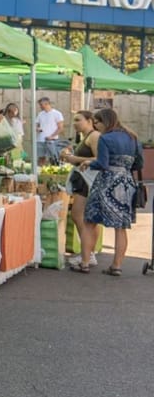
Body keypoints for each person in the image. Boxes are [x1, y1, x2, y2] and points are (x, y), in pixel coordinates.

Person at [81, 108, 143, 276]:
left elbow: (102, 163)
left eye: (97, 123)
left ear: (105, 122)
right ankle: (116, 266)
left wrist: (88, 163)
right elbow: (139, 164)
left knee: (89, 222)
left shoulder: (105, 138)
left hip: (106, 183)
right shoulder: (133, 137)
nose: (96, 127)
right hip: (126, 183)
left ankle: (84, 263)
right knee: (121, 227)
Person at [61, 110, 100, 270]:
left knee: (78, 215)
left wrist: (74, 158)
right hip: (83, 180)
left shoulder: (94, 136)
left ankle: (87, 254)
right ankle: (89, 253)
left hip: (88, 180)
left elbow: (99, 159)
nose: (75, 123)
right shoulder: (85, 137)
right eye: (74, 120)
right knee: (87, 219)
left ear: (89, 121)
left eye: (78, 120)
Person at [36, 97, 65, 165]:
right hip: (40, 139)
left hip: (52, 140)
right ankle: (40, 170)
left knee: (53, 158)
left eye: (41, 104)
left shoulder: (57, 113)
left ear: (47, 104)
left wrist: (52, 136)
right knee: (41, 158)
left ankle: (53, 170)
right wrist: (37, 128)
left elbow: (60, 128)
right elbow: (36, 124)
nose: (40, 106)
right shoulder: (40, 114)